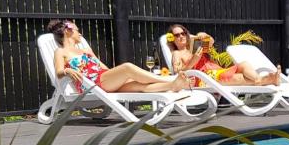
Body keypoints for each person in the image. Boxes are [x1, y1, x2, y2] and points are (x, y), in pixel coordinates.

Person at [48, 19, 190, 93]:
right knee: (127, 67)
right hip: (91, 85)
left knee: (140, 86)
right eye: (77, 31)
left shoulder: (86, 50)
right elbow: (59, 72)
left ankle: (172, 85)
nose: (80, 34)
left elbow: (104, 68)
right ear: (68, 32)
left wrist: (118, 76)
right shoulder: (60, 52)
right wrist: (67, 70)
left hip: (103, 79)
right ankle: (167, 78)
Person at [165, 23, 280, 86]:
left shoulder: (193, 45)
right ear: (172, 39)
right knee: (240, 77)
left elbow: (211, 42)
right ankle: (266, 79)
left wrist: (203, 35)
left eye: (183, 33)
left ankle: (261, 80)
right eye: (177, 35)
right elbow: (177, 72)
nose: (181, 36)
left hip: (216, 71)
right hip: (204, 79)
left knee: (244, 64)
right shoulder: (176, 54)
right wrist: (193, 61)